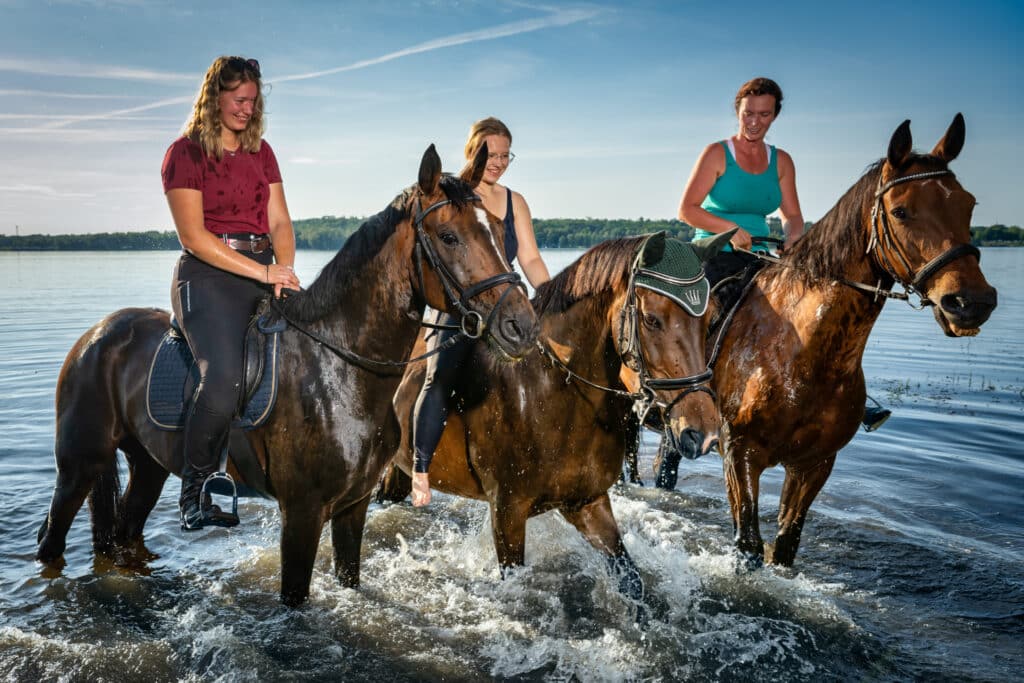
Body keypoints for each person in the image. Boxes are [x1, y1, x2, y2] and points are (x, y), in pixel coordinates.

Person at [677, 76, 888, 434]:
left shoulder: (782, 162)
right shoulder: (717, 153)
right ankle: (688, 391)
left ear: (775, 116)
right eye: (748, 113)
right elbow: (688, 209)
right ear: (738, 111)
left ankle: (843, 394)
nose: (755, 121)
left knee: (811, 310)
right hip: (715, 252)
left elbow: (792, 216)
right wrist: (728, 228)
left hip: (763, 257)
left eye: (764, 114)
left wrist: (794, 239)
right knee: (711, 314)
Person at [161, 56, 301, 531]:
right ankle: (196, 488)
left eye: (253, 101)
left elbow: (280, 220)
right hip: (207, 274)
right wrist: (263, 276)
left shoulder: (263, 152)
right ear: (213, 96)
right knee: (222, 376)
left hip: (265, 267)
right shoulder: (185, 153)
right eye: (239, 100)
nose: (247, 109)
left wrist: (282, 269)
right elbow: (194, 238)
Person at [410, 117, 550, 506]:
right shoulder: (454, 192)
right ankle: (420, 471)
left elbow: (531, 258)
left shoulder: (514, 201)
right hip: (459, 307)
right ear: (473, 150)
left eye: (506, 155)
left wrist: (554, 297)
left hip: (503, 306)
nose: (499, 162)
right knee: (439, 377)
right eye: (491, 153)